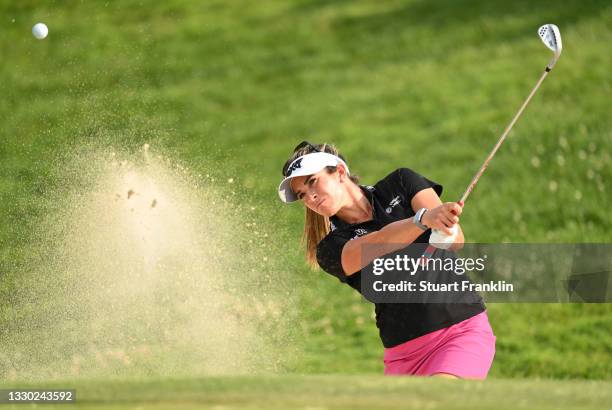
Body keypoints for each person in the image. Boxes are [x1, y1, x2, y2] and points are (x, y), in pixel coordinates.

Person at [277, 141, 496, 379]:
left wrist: (447, 229)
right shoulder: (329, 248)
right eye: (302, 195)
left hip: (460, 330)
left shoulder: (401, 183)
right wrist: (422, 220)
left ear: (340, 172)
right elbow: (379, 241)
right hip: (402, 355)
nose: (310, 197)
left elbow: (456, 241)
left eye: (312, 182)